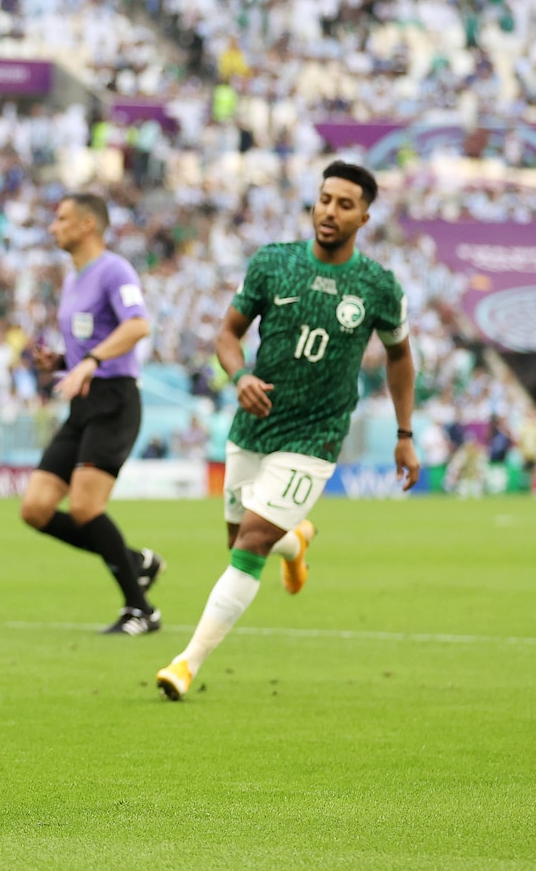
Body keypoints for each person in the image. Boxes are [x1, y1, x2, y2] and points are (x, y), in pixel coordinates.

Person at [158, 162, 414, 700]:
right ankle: (295, 541)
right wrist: (240, 374)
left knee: (248, 546)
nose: (330, 211)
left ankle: (186, 663)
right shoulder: (272, 264)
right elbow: (227, 334)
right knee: (238, 540)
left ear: (364, 216)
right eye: (324, 199)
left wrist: (404, 432)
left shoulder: (378, 287)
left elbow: (400, 357)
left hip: (315, 437)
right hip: (253, 425)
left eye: (345, 204)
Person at [17, 193, 167, 635]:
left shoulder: (115, 269)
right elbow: (89, 344)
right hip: (83, 402)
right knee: (36, 508)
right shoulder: (74, 277)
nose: (52, 227)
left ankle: (141, 610)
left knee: (85, 508)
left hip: (115, 399)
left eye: (60, 218)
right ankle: (135, 560)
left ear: (87, 225)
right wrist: (64, 361)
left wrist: (90, 362)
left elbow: (138, 325)